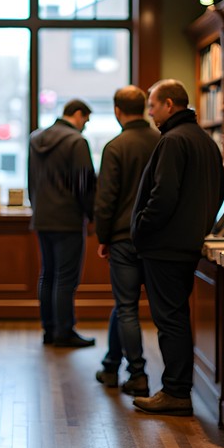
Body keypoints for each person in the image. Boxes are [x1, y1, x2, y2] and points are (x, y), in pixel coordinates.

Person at [131, 79, 224, 416]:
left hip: (164, 246)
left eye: (153, 105)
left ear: (170, 104)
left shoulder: (172, 140)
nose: (151, 112)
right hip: (188, 244)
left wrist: (141, 228)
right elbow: (218, 195)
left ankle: (175, 392)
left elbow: (163, 195)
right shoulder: (205, 141)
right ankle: (177, 388)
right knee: (177, 317)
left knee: (169, 319)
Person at [93, 86, 160, 396]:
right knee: (126, 305)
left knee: (127, 306)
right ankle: (110, 365)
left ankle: (137, 374)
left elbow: (105, 198)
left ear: (117, 111)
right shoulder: (161, 141)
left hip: (122, 237)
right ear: (146, 108)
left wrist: (103, 237)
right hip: (157, 238)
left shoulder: (115, 146)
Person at [28, 99, 98, 347]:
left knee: (47, 275)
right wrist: (91, 215)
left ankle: (49, 330)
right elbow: (84, 184)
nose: (85, 127)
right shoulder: (76, 142)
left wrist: (36, 207)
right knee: (66, 278)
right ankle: (64, 332)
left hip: (42, 217)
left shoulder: (35, 138)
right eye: (86, 121)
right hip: (68, 219)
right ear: (78, 114)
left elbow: (31, 179)